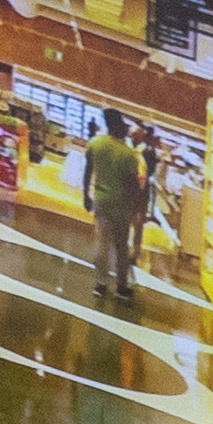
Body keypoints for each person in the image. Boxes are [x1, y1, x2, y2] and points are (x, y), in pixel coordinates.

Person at [78, 116, 154, 310]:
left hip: (101, 202)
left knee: (101, 244)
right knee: (121, 247)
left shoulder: (95, 143)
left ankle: (100, 284)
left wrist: (86, 194)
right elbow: (131, 183)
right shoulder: (128, 154)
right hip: (122, 206)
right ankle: (121, 287)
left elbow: (88, 170)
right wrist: (138, 208)